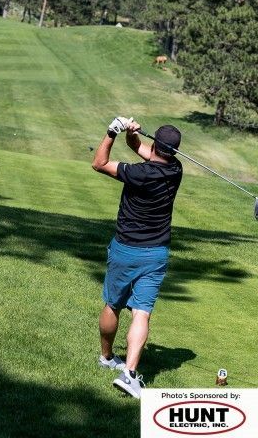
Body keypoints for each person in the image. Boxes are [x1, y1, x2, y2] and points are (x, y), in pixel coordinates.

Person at [91, 116, 183, 399]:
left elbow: (99, 163)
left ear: (155, 143)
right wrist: (132, 134)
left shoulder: (138, 173)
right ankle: (129, 373)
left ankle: (107, 357)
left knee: (113, 304)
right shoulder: (176, 169)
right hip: (155, 253)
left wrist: (111, 132)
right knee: (142, 312)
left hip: (125, 248)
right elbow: (142, 149)